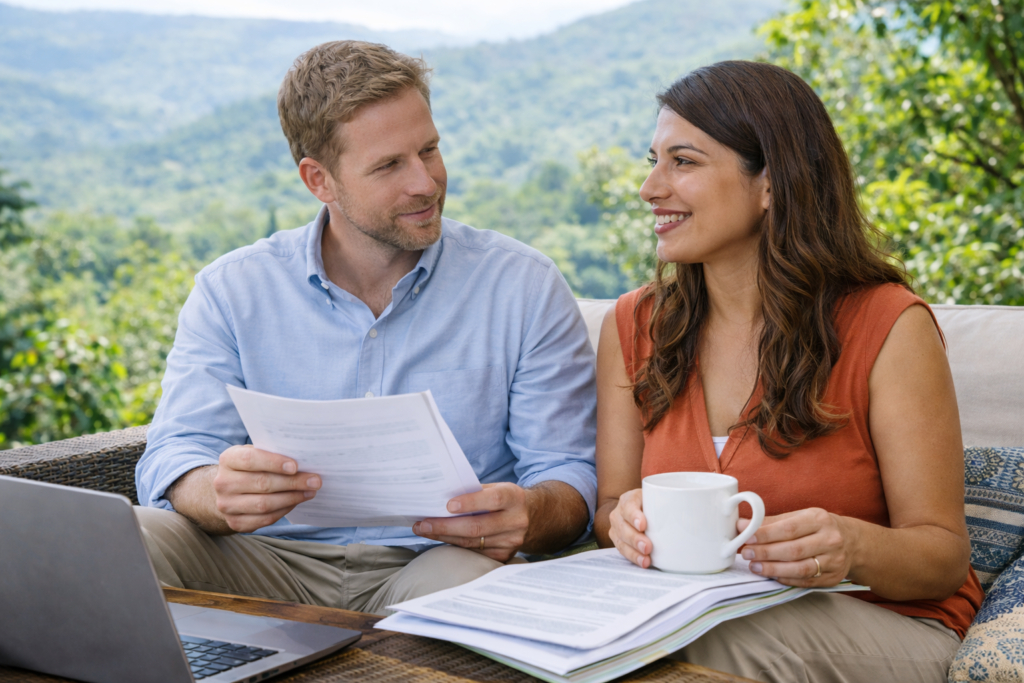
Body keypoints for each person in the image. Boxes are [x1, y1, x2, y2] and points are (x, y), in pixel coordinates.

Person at [134, 40, 597, 616]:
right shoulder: (232, 289)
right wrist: (213, 491)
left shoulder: (522, 285)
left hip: (438, 562)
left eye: (429, 150)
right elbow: (175, 452)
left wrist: (531, 514)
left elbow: (568, 473)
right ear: (318, 180)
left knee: (474, 591)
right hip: (264, 559)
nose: (425, 182)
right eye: (389, 166)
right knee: (131, 540)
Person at [594, 61, 982, 682]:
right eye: (653, 160)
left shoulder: (887, 325)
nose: (651, 188)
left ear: (771, 183)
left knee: (704, 645)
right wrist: (623, 521)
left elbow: (941, 554)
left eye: (684, 162)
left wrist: (852, 546)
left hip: (885, 623)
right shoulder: (635, 325)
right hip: (689, 611)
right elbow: (610, 502)